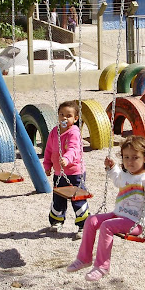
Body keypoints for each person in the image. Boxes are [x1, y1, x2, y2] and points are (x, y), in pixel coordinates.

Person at [66, 135, 145, 281]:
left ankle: (102, 267)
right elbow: (117, 179)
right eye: (126, 157)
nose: (130, 162)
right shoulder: (125, 174)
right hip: (118, 214)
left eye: (135, 157)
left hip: (135, 222)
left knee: (106, 226)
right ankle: (84, 258)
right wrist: (111, 167)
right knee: (91, 220)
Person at [44, 100, 89, 239]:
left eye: (68, 115)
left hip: (75, 173)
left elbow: (74, 149)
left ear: (75, 119)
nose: (64, 118)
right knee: (58, 198)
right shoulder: (54, 132)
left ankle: (83, 225)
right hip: (59, 173)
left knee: (77, 198)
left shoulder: (74, 132)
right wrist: (47, 165)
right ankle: (57, 221)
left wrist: (67, 159)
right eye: (61, 114)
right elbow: (49, 150)